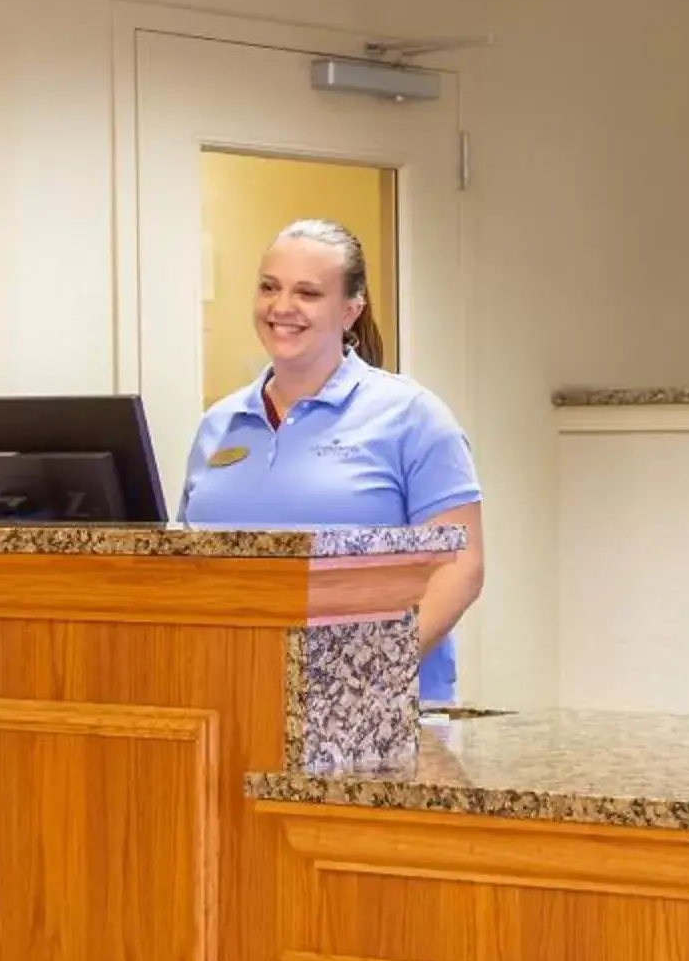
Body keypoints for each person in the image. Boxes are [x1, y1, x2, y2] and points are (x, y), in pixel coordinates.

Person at [180, 220, 485, 702]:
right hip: (233, 698)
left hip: (374, 711)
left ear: (350, 310)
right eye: (269, 287)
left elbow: (460, 567)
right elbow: (189, 568)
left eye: (308, 293)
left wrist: (370, 677)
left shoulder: (411, 416)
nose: (282, 307)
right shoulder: (219, 424)